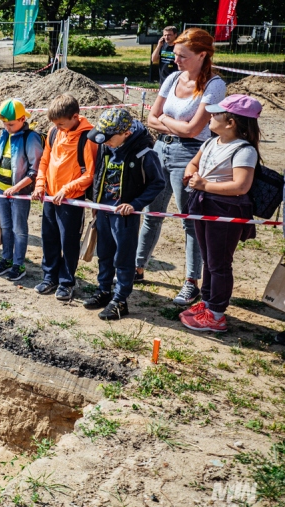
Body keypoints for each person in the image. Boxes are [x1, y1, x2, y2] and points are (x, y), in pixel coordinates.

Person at [137, 27, 226, 307]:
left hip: (189, 155)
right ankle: (137, 268)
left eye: (182, 56)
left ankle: (191, 282)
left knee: (190, 221)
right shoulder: (173, 77)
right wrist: (177, 127)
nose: (175, 61)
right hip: (159, 149)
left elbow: (194, 130)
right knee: (152, 213)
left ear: (202, 55)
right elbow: (151, 117)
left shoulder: (214, 85)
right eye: (174, 54)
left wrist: (170, 123)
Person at [179, 95, 262, 332]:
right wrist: (189, 173)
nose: (210, 117)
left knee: (220, 264)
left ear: (231, 123)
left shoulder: (244, 150)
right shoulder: (210, 143)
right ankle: (207, 302)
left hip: (225, 211)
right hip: (203, 206)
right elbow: (194, 164)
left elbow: (240, 186)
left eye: (216, 114)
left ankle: (216, 314)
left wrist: (204, 186)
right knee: (209, 260)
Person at [83, 109, 166, 320]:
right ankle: (104, 290)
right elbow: (99, 173)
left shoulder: (144, 153)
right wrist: (96, 201)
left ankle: (120, 299)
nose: (106, 142)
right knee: (105, 253)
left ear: (127, 133)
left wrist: (135, 204)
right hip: (104, 211)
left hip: (124, 216)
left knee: (123, 257)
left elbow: (158, 183)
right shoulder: (106, 147)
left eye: (110, 138)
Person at [31, 94, 98, 301]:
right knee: (49, 238)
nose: (58, 128)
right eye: (55, 124)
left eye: (61, 124)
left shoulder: (88, 138)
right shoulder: (53, 132)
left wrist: (67, 190)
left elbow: (90, 174)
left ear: (75, 117)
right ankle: (49, 276)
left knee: (68, 241)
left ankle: (67, 281)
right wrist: (40, 185)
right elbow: (44, 160)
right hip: (50, 197)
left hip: (71, 200)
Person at [0, 99, 43, 281]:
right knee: (5, 226)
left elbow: (35, 170)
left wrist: (16, 188)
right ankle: (6, 258)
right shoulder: (5, 134)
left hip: (19, 193)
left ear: (22, 119)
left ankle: (18, 264)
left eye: (11, 124)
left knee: (19, 229)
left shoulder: (31, 138)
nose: (7, 127)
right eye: (4, 124)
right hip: (2, 191)